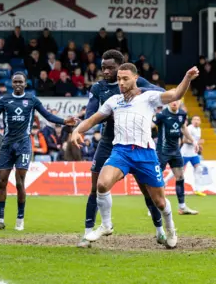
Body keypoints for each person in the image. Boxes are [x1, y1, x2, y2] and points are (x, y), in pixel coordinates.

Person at [70, 64, 199, 249]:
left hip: (145, 154)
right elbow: (92, 119)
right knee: (101, 184)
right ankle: (106, 225)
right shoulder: (114, 100)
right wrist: (77, 130)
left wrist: (187, 77)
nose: (121, 82)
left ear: (135, 79)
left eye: (125, 79)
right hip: (121, 152)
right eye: (119, 79)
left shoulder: (148, 97)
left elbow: (175, 95)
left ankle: (170, 229)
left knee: (160, 202)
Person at [77, 50, 165, 248]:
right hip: (108, 142)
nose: (106, 71)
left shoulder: (137, 83)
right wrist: (82, 126)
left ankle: (160, 230)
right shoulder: (98, 88)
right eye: (103, 68)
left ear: (122, 67)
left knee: (147, 191)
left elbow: (160, 91)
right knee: (95, 188)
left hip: (134, 143)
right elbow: (91, 114)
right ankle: (87, 233)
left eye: (111, 68)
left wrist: (140, 94)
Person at [0, 72, 76, 231]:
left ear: (25, 84)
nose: (18, 84)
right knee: (1, 182)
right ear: (12, 84)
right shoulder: (5, 100)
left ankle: (20, 220)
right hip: (7, 145)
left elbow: (47, 116)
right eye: (15, 82)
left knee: (20, 182)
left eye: (21, 82)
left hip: (24, 145)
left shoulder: (32, 100)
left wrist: (64, 121)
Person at [154, 101, 198, 215]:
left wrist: (193, 141)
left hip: (176, 151)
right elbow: (150, 126)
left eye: (176, 101)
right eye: (172, 100)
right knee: (157, 179)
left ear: (179, 102)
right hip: (162, 151)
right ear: (168, 102)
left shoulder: (182, 114)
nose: (174, 103)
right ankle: (155, 207)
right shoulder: (161, 114)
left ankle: (182, 207)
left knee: (180, 176)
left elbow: (183, 128)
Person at [181, 115, 205, 196]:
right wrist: (196, 143)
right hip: (185, 153)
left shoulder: (199, 129)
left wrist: (199, 146)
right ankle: (164, 182)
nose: (196, 121)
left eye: (198, 119)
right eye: (194, 119)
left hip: (193, 153)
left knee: (199, 169)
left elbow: (196, 141)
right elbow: (184, 140)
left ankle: (197, 190)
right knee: (177, 171)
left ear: (200, 122)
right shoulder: (189, 128)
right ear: (192, 121)